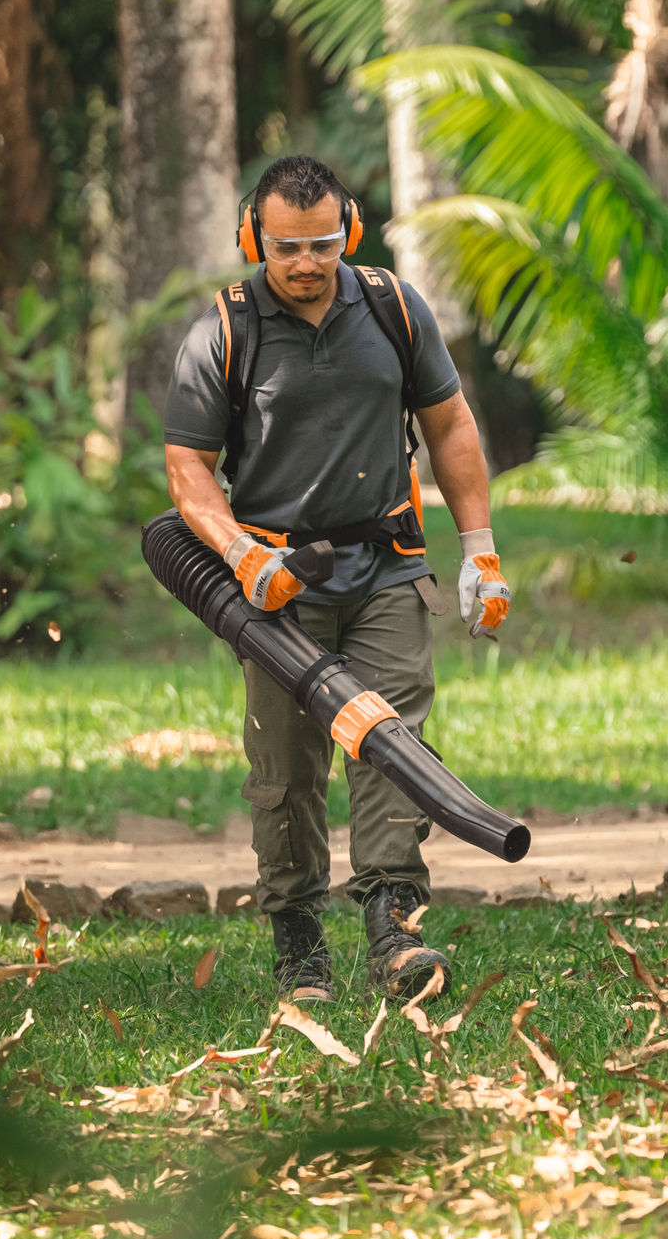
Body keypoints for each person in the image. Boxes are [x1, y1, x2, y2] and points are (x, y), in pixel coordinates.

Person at [161, 154, 509, 1004]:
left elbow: (451, 423)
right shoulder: (225, 331)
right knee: (285, 771)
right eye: (288, 248)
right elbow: (187, 470)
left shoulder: (390, 307)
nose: (308, 264)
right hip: (277, 588)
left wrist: (481, 548)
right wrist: (244, 557)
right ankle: (299, 944)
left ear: (348, 232)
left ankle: (395, 932)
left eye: (322, 245)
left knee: (393, 744)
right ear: (254, 239)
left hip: (385, 567)